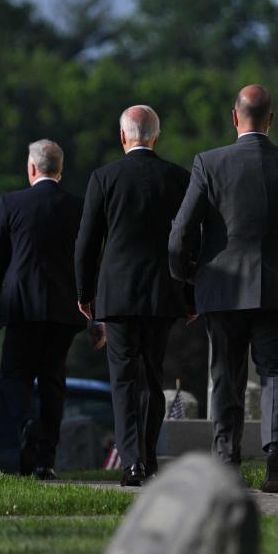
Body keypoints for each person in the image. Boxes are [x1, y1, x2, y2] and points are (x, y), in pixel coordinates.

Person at [168, 84, 278, 493]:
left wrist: (186, 276)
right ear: (271, 118)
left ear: (234, 117)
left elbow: (181, 232)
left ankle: (226, 458)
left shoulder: (209, 163)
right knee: (276, 371)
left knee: (226, 374)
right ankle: (274, 454)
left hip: (222, 287)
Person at [75, 105, 192, 487]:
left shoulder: (104, 177)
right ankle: (149, 455)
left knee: (123, 379)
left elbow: (87, 241)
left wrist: (84, 291)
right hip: (163, 291)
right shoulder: (177, 178)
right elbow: (191, 241)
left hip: (118, 294)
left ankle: (131, 462)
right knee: (153, 376)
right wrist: (189, 293)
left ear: (123, 136)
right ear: (155, 136)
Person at [0, 139, 85, 480]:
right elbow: (86, 261)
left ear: (31, 168)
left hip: (22, 306)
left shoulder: (11, 203)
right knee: (53, 381)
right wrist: (92, 310)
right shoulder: (75, 206)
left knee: (15, 374)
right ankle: (45, 462)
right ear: (60, 168)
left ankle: (27, 422)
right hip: (62, 309)